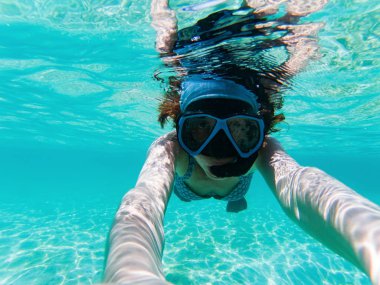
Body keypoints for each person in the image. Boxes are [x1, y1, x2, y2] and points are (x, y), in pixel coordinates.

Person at [103, 1, 380, 284]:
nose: (221, 149)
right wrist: (132, 275)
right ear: (179, 128)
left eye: (241, 131)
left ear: (260, 132)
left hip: (232, 190)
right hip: (188, 190)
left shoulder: (263, 148)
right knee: (231, 188)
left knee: (235, 196)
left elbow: (299, 183)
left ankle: (235, 198)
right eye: (200, 130)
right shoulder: (169, 149)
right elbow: (143, 199)